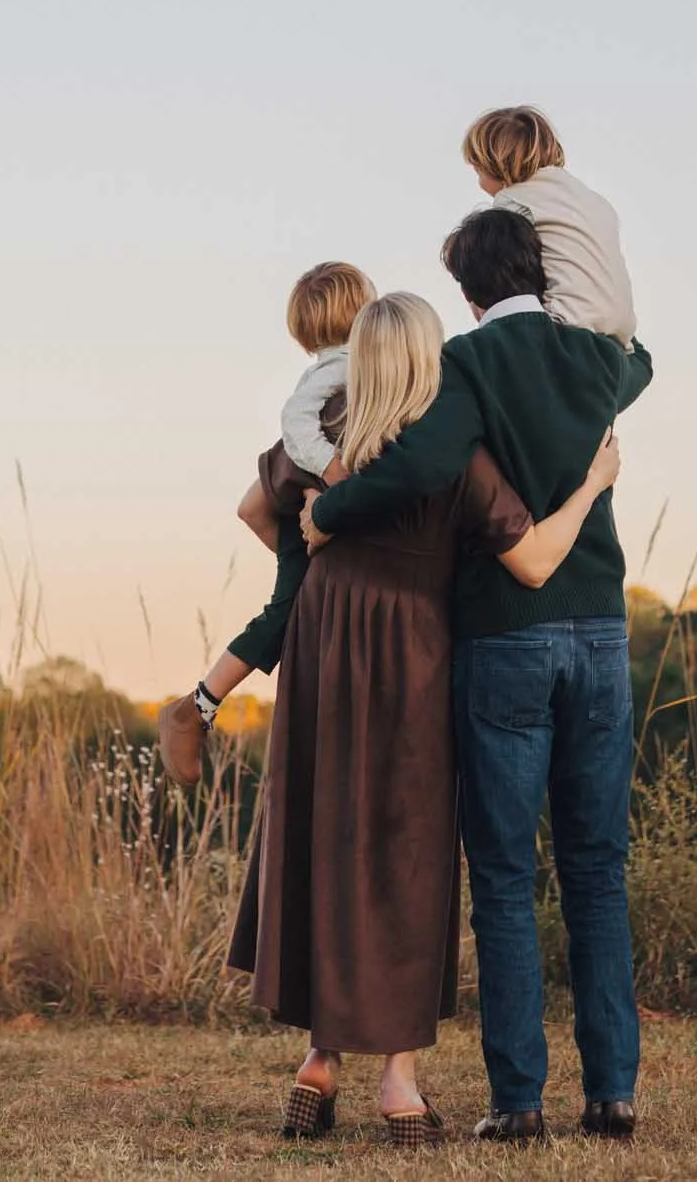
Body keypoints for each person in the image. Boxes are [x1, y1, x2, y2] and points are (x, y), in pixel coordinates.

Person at [230, 291, 621, 1146]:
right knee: (406, 855)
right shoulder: (453, 451)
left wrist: (320, 560)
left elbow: (256, 512)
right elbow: (533, 561)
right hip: (411, 649)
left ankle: (318, 1059)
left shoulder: (322, 434)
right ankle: (399, 1086)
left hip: (325, 640)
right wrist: (593, 484)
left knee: (329, 837)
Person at [307, 208, 652, 1142]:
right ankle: (613, 1094)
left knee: (503, 876)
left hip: (506, 636)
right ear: (544, 269)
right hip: (601, 634)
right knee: (597, 870)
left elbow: (419, 461)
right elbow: (643, 358)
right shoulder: (597, 357)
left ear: (466, 292)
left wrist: (334, 512)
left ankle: (518, 1102)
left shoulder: (466, 365)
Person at [156, 261, 374, 785]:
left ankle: (199, 705)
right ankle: (197, 707)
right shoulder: (341, 371)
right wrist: (332, 471)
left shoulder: (342, 367)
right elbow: (296, 424)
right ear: (361, 312)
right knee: (282, 613)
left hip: (313, 520)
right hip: (322, 502)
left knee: (289, 609)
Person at [462, 104, 636, 348]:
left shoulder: (512, 202)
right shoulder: (592, 199)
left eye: (477, 170)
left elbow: (498, 271)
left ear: (494, 165)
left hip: (565, 326)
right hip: (621, 335)